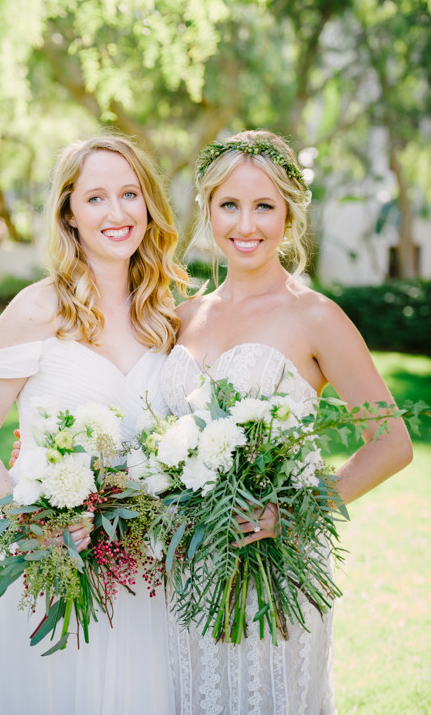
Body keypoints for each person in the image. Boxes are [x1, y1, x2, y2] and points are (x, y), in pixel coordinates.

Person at [160, 129, 413, 714]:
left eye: (263, 206)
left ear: (289, 215)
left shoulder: (316, 317)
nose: (244, 225)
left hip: (272, 573)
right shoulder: (181, 316)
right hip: (183, 571)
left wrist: (295, 510)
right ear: (207, 210)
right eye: (229, 205)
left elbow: (391, 443)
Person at [0, 134, 187, 715]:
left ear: (149, 204)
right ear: (69, 214)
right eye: (96, 198)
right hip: (50, 567)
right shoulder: (36, 309)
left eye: (130, 194)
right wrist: (34, 522)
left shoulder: (168, 316)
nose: (117, 214)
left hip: (143, 574)